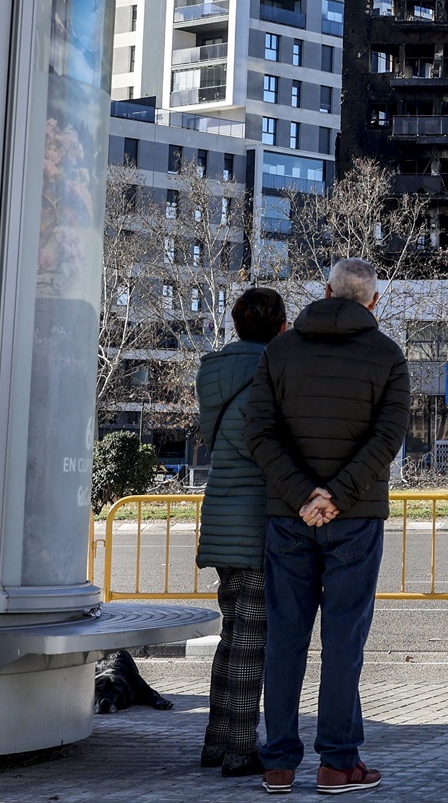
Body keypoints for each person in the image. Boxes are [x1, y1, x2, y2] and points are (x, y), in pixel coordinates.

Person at [244, 258, 409, 796]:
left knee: (285, 638)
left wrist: (303, 496)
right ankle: (338, 764)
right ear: (373, 302)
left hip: (288, 516)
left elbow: (260, 434)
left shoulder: (280, 350)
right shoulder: (386, 355)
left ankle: (279, 764)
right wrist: (337, 496)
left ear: (324, 291)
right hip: (356, 518)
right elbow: (386, 440)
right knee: (343, 642)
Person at [194, 287, 287, 777]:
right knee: (252, 639)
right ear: (279, 327)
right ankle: (238, 750)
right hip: (255, 521)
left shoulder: (214, 372)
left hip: (223, 514)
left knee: (234, 636)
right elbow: (264, 449)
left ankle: (217, 742)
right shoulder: (267, 376)